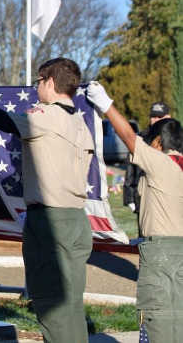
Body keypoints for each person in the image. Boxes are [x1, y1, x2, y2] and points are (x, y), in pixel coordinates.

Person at [0, 57, 95, 342]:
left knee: (52, 305)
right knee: (70, 306)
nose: (36, 88)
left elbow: (6, 122)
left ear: (50, 82)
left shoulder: (47, 116)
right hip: (77, 219)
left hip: (51, 222)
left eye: (38, 82)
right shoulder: (80, 122)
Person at [87, 82, 183, 343]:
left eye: (150, 140)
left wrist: (106, 104)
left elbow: (130, 139)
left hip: (161, 255)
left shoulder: (162, 163)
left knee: (157, 322)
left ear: (159, 142)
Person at [123, 101, 171, 229]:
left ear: (168, 117)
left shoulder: (176, 139)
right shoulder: (141, 138)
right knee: (145, 235)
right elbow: (131, 169)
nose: (155, 120)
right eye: (153, 116)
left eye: (159, 117)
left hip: (169, 197)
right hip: (144, 197)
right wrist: (129, 198)